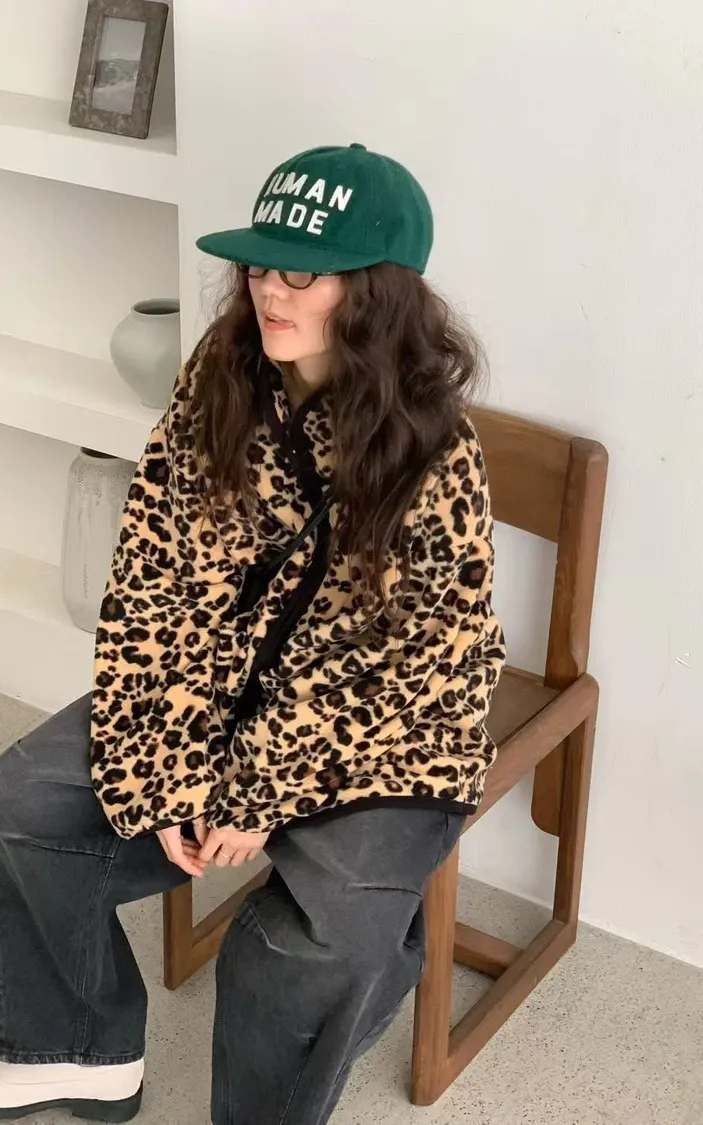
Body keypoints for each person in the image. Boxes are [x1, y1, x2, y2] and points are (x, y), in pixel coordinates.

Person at [0, 143, 506, 1125]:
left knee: (300, 948)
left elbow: (392, 665)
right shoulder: (222, 374)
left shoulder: (435, 448)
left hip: (390, 737)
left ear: (375, 290)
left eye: (304, 274)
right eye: (263, 265)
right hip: (221, 685)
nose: (271, 290)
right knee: (23, 802)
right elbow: (155, 575)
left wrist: (254, 794)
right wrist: (167, 766)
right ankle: (76, 1045)